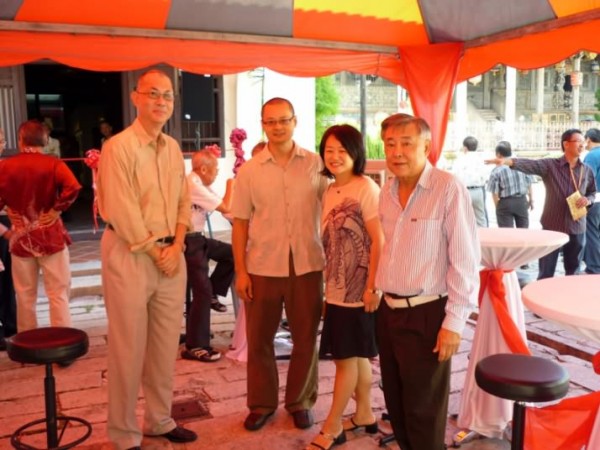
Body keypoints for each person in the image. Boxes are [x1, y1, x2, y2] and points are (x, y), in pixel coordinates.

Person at [96, 69, 197, 449]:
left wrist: (178, 245)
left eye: (167, 96)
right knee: (128, 347)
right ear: (136, 97)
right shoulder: (118, 147)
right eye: (153, 94)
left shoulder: (172, 147)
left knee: (164, 344)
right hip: (131, 254)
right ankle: (123, 434)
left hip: (172, 255)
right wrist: (157, 251)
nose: (161, 102)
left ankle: (159, 419)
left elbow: (183, 201)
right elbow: (121, 210)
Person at [375, 114, 480, 450]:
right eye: (390, 144)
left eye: (406, 143)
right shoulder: (387, 190)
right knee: (397, 403)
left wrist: (454, 323)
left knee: (424, 409)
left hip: (427, 314)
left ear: (426, 145)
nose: (397, 152)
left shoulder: (447, 188)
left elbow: (464, 261)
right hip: (388, 310)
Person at [231, 97, 327, 432]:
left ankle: (300, 401)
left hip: (308, 264)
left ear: (295, 121)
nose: (277, 127)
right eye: (270, 121)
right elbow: (240, 222)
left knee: (305, 339)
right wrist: (241, 271)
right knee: (259, 341)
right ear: (263, 125)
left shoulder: (316, 164)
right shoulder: (250, 171)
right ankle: (261, 404)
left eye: (283, 120)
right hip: (262, 266)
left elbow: (332, 210)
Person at [306, 125, 383, 450]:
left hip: (357, 289)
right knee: (356, 356)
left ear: (356, 153)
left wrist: (372, 287)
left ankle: (332, 425)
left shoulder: (365, 187)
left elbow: (379, 241)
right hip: (337, 288)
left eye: (342, 150)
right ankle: (364, 414)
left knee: (345, 360)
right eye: (329, 150)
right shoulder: (330, 189)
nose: (335, 157)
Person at [0, 120, 80, 333]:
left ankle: (27, 343)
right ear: (45, 140)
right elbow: (73, 187)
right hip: (51, 236)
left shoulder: (4, 166)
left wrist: (7, 218)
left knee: (25, 295)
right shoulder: (54, 164)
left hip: (20, 238)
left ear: (20, 140)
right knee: (58, 293)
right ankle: (63, 340)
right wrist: (57, 209)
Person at [486, 128, 596, 279]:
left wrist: (587, 200)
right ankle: (542, 297)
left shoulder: (587, 170)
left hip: (577, 225)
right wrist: (506, 161)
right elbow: (530, 164)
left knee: (574, 270)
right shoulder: (550, 166)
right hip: (553, 226)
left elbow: (591, 192)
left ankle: (570, 298)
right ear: (566, 144)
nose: (582, 145)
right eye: (578, 141)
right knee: (546, 271)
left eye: (583, 142)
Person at [181, 149, 235, 363]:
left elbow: (223, 207)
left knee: (231, 254)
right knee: (201, 293)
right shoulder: (193, 184)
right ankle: (196, 346)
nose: (216, 175)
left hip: (198, 238)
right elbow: (226, 206)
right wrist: (231, 184)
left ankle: (214, 293)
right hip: (189, 240)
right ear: (203, 169)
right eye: (215, 170)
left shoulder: (198, 184)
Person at [487, 141, 534, 228]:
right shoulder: (522, 165)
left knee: (507, 235)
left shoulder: (496, 171)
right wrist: (531, 200)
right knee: (523, 232)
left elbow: (494, 193)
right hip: (522, 201)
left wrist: (499, 207)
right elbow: (529, 184)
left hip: (505, 202)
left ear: (498, 154)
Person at [0, 128, 16, 350]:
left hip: (7, 223)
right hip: (2, 228)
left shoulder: (5, 165)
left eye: (3, 139)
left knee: (8, 280)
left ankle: (12, 327)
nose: (2, 143)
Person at [452, 136, 490, 227]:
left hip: (463, 191)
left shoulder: (459, 160)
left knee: (463, 219)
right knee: (480, 219)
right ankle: (482, 239)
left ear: (465, 148)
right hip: (478, 190)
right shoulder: (481, 160)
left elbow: (454, 177)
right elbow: (486, 177)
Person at [583, 128, 600, 274]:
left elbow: (587, 179)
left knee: (591, 232)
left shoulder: (591, 156)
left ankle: (594, 267)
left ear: (588, 139)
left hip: (595, 200)